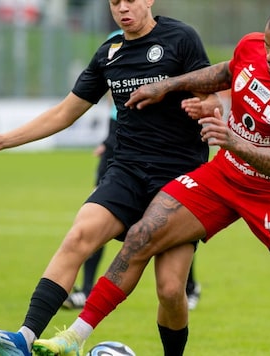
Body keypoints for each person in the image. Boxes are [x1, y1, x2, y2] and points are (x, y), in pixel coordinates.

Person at [32, 3, 270, 355]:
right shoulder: (252, 47)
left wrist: (232, 140)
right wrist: (167, 86)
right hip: (224, 176)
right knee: (141, 236)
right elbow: (225, 72)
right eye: (268, 47)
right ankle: (73, 338)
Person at [0, 0, 219, 355]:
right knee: (78, 236)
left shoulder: (181, 37)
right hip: (126, 169)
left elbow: (212, 94)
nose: (123, 8)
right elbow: (67, 111)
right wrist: (5, 140)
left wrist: (209, 107)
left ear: (149, 0)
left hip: (178, 178)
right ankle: (24, 338)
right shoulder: (109, 53)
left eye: (130, 0)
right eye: (115, 2)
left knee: (171, 289)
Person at [62, 29, 202, 312]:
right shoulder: (111, 46)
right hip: (121, 137)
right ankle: (86, 290)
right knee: (94, 215)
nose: (123, 7)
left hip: (158, 146)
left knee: (172, 223)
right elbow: (106, 97)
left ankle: (189, 285)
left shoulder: (170, 41)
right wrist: (108, 139)